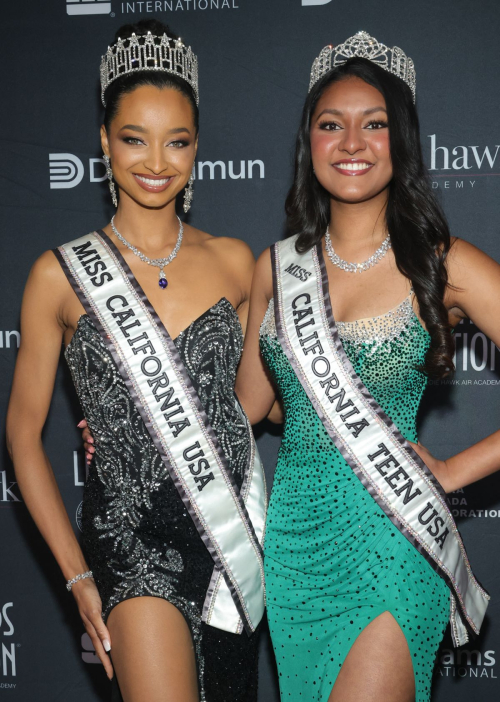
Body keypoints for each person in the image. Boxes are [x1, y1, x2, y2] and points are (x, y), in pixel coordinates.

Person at [6, 19, 267, 702]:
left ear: (197, 147)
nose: (157, 161)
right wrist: (77, 575)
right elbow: (22, 434)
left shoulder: (238, 263)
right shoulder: (58, 275)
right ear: (103, 142)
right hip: (130, 545)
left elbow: (249, 409)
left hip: (228, 541)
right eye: (134, 138)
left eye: (176, 140)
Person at [235, 32, 500, 702]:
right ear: (309, 143)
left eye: (373, 124)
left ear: (400, 142)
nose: (352, 142)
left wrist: (451, 470)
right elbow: (246, 410)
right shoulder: (276, 269)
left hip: (391, 538)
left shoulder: (446, 264)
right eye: (332, 125)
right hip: (294, 554)